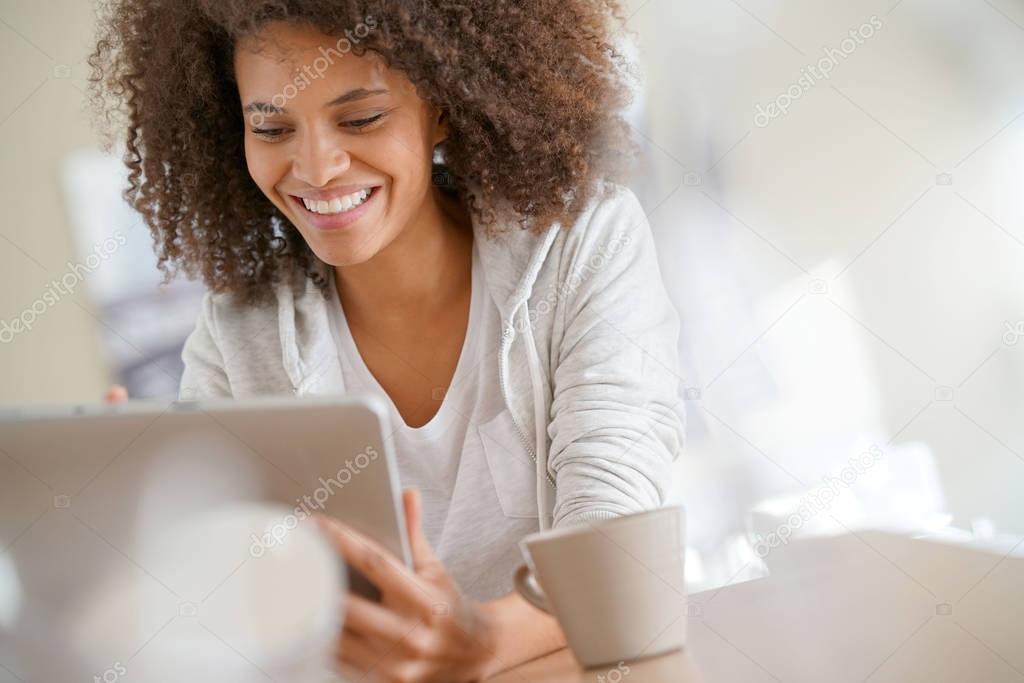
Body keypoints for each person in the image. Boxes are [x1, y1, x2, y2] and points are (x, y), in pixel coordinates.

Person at [90, 1, 684, 680]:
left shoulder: (582, 243)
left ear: (441, 104)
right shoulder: (238, 332)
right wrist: (145, 547)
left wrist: (481, 639)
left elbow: (617, 555)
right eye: (273, 127)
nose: (315, 167)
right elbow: (239, 614)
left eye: (361, 118)